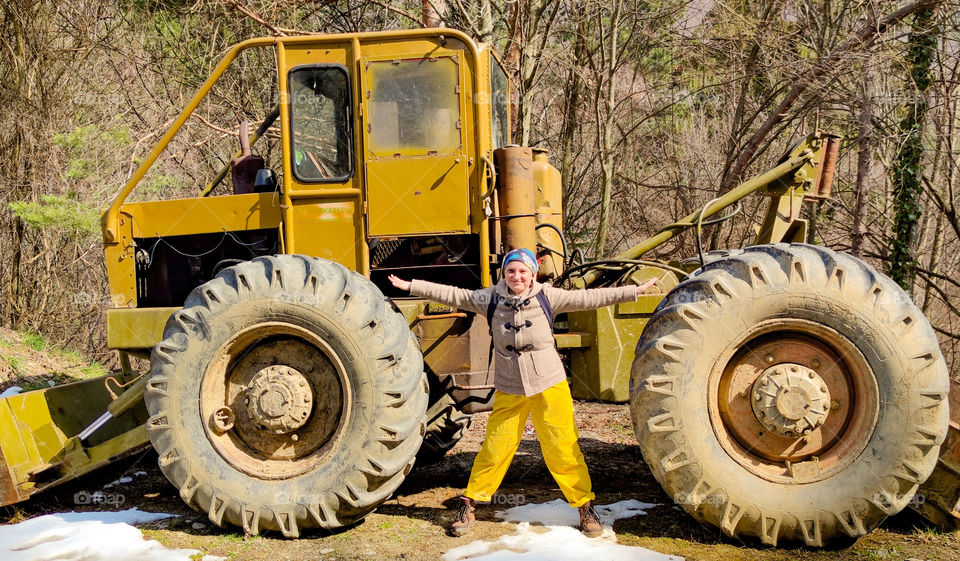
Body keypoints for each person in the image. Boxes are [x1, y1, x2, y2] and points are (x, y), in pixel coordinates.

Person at [388, 248, 657, 538]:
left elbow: (590, 298)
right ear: (504, 273)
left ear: (532, 274)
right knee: (495, 448)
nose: (517, 276)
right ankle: (469, 503)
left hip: (549, 385)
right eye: (511, 270)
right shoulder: (489, 297)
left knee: (563, 448)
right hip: (509, 387)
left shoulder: (547, 295)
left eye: (522, 271)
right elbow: (453, 295)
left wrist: (633, 291)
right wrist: (411, 286)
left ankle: (584, 508)